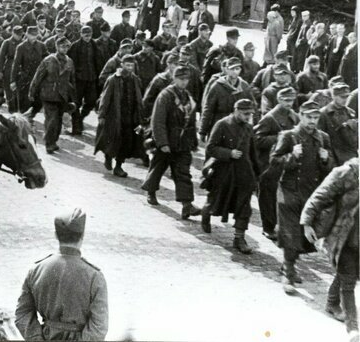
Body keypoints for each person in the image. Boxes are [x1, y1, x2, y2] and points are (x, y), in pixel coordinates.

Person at [15, 208, 109, 341]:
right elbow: (99, 325)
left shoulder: (36, 270)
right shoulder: (94, 276)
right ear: (82, 235)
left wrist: (36, 338)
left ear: (55, 235)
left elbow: (22, 313)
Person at [270, 100, 334, 294]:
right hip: (289, 191)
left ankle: (289, 265)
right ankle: (288, 273)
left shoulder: (323, 138)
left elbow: (330, 168)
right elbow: (274, 162)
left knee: (303, 235)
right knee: (290, 233)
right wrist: (292, 156)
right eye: (308, 117)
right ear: (300, 115)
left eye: (316, 117)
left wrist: (326, 159)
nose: (312, 121)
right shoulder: (289, 136)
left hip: (310, 193)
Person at [300, 158, 359, 337]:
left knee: (351, 275)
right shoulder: (346, 172)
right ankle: (353, 329)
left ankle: (332, 302)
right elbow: (320, 195)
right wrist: (307, 222)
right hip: (343, 237)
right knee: (348, 280)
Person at [141, 66, 202, 218]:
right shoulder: (165, 95)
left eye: (186, 79)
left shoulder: (187, 96)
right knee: (158, 168)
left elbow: (191, 121)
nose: (184, 82)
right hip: (167, 140)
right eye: (181, 79)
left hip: (182, 142)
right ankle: (151, 191)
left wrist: (193, 141)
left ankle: (187, 205)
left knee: (183, 172)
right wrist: (162, 143)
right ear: (174, 79)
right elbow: (158, 121)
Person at [201, 99, 260, 254]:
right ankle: (205, 214)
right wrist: (229, 153)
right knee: (215, 201)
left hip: (244, 174)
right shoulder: (222, 125)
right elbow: (211, 148)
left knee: (244, 206)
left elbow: (253, 153)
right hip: (223, 173)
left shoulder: (249, 128)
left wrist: (257, 175)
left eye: (250, 114)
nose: (248, 117)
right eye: (245, 113)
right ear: (236, 110)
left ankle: (239, 238)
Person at [253, 87, 299, 241]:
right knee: (268, 197)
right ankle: (268, 227)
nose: (289, 103)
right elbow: (257, 139)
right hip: (269, 164)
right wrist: (279, 138)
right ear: (279, 100)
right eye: (286, 100)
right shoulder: (270, 118)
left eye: (291, 100)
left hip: (285, 163)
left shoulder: (293, 116)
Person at [95, 55, 145, 178]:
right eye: (127, 65)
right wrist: (101, 115)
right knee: (111, 140)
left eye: (131, 65)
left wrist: (140, 116)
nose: (129, 68)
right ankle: (108, 157)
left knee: (126, 142)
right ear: (121, 65)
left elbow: (139, 99)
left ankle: (118, 166)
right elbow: (105, 98)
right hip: (114, 116)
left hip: (130, 117)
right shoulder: (113, 79)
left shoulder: (136, 80)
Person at [29, 37, 76, 154]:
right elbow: (38, 76)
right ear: (57, 47)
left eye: (66, 47)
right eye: (62, 46)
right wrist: (32, 91)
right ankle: (49, 143)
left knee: (59, 120)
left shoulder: (70, 61)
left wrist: (73, 98)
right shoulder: (49, 60)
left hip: (62, 96)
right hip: (49, 94)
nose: (64, 49)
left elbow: (72, 81)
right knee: (52, 120)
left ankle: (53, 141)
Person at [199, 57, 256, 140]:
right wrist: (202, 131)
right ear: (227, 70)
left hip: (239, 128)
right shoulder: (217, 86)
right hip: (220, 127)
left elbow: (253, 107)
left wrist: (254, 128)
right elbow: (208, 109)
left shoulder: (244, 86)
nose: (234, 71)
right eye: (232, 69)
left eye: (237, 68)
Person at [68, 26, 99, 135]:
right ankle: (76, 126)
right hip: (78, 79)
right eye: (85, 35)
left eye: (90, 35)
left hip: (91, 78)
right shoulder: (75, 46)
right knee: (76, 103)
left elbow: (97, 60)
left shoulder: (94, 45)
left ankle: (80, 118)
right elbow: (70, 63)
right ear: (81, 34)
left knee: (91, 101)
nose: (88, 37)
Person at [318, 83, 357, 165]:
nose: (345, 99)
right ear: (334, 96)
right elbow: (320, 137)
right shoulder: (324, 113)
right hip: (333, 156)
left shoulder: (351, 113)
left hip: (350, 156)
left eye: (347, 96)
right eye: (342, 97)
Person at [12, 26, 47, 117]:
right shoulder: (21, 47)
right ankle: (25, 121)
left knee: (38, 102)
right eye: (31, 35)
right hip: (25, 79)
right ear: (27, 34)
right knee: (25, 103)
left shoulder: (41, 46)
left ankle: (31, 117)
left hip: (38, 78)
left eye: (35, 35)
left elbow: (47, 59)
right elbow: (16, 64)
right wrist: (13, 80)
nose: (34, 37)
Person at [0, 25, 24, 113]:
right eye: (17, 34)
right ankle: (11, 108)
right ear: (13, 33)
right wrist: (0, 70)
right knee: (9, 89)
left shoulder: (23, 43)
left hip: (20, 68)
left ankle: (17, 109)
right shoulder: (7, 42)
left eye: (20, 34)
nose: (19, 36)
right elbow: (1, 57)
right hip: (9, 66)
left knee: (18, 90)